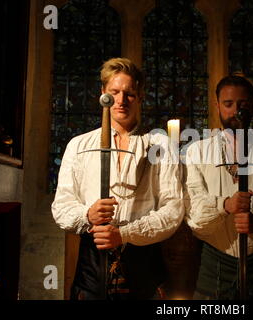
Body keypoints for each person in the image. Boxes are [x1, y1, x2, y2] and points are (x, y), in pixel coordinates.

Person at [51, 57, 184, 300]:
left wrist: (125, 234)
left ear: (141, 96)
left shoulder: (160, 144)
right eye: (114, 92)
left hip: (143, 262)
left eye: (129, 93)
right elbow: (61, 207)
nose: (121, 100)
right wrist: (87, 215)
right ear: (102, 94)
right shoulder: (78, 145)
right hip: (92, 265)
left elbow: (173, 209)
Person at [184, 75, 253, 300]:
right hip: (216, 261)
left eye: (243, 104)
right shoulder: (197, 151)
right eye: (228, 104)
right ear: (217, 106)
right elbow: (194, 215)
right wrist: (225, 205)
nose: (236, 110)